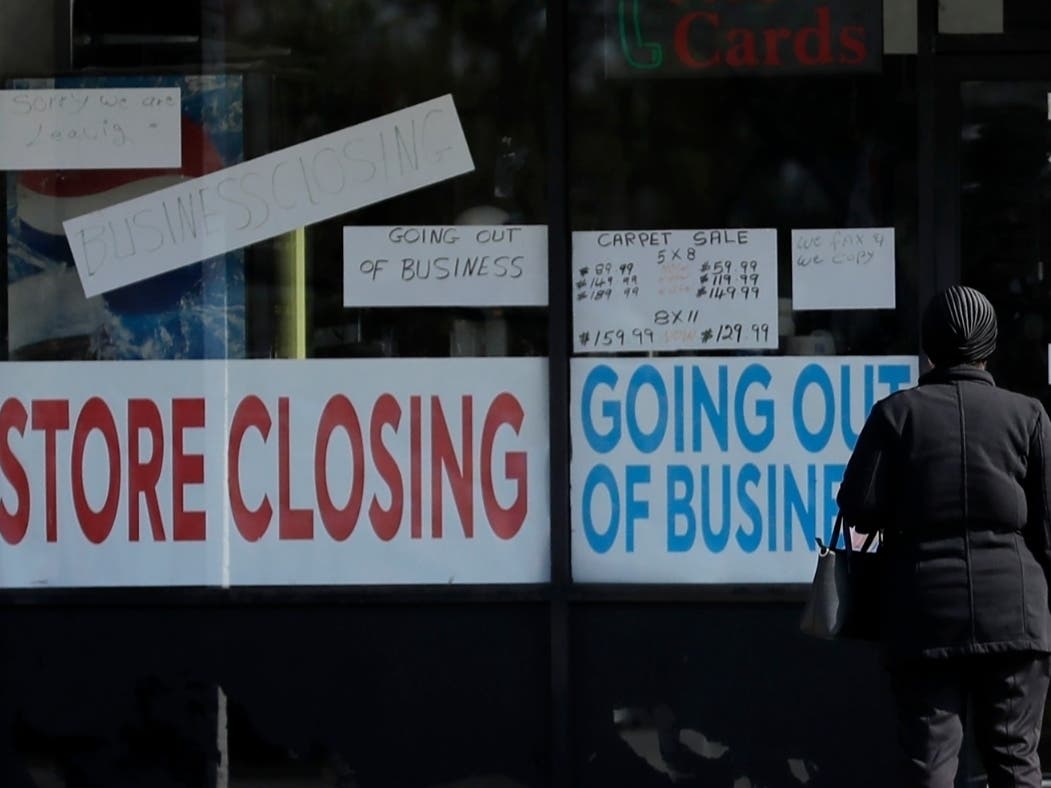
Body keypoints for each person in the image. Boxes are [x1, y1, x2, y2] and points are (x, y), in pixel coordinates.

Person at [837, 285, 1051, 788]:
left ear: (928, 345)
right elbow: (1048, 526)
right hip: (1016, 610)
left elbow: (858, 512)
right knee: (1016, 759)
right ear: (990, 345)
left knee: (929, 761)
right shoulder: (1029, 415)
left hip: (923, 610)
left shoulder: (896, 414)